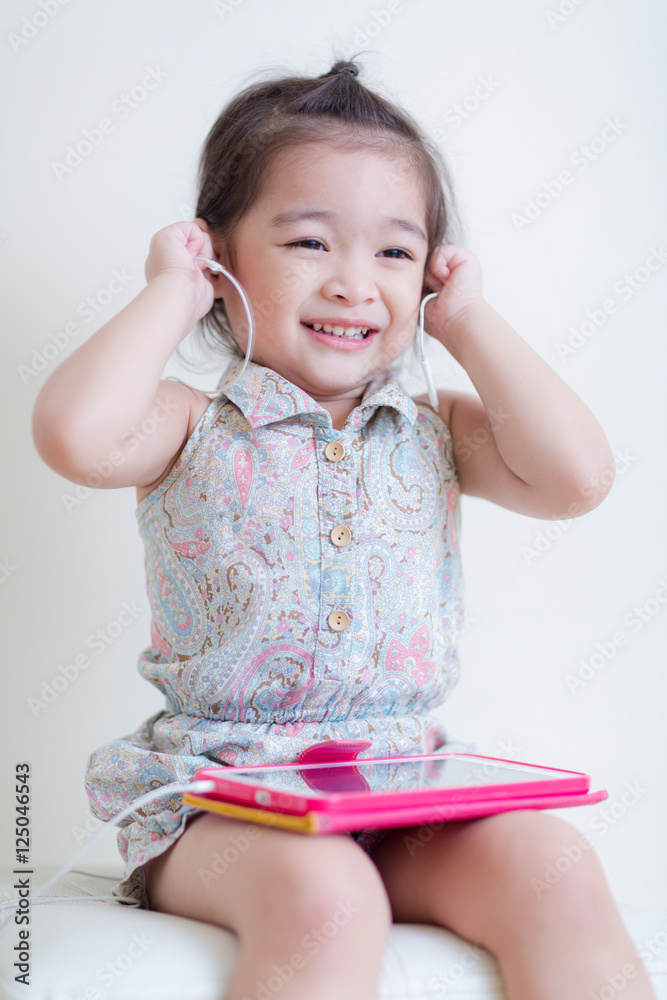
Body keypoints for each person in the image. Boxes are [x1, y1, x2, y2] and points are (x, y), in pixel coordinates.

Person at [32, 57, 655, 1000]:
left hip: (397, 794)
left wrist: (469, 323)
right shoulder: (189, 427)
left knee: (556, 867)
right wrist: (171, 292)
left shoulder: (437, 432)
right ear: (219, 258)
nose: (353, 284)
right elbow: (74, 436)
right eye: (309, 242)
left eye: (395, 254)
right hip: (220, 809)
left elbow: (578, 478)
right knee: (328, 898)